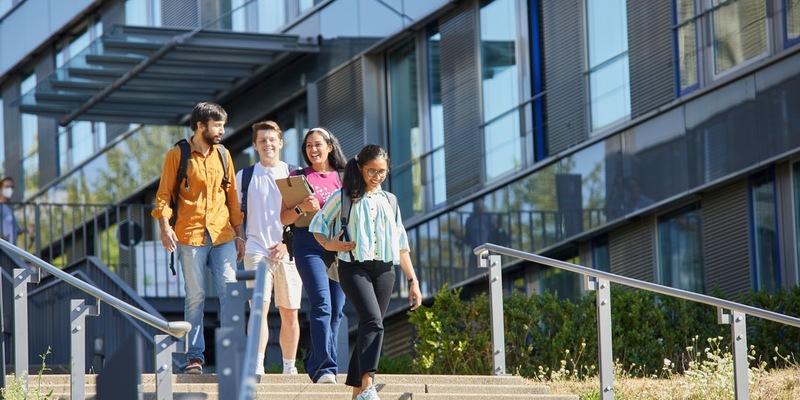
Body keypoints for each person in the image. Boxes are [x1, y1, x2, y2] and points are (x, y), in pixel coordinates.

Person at [309, 144, 422, 400]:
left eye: (382, 172)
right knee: (373, 322)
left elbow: (401, 245)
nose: (377, 176)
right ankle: (369, 384)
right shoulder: (343, 197)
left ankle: (357, 395)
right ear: (359, 168)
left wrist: (413, 281)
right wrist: (330, 244)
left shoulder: (390, 201)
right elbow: (318, 225)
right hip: (353, 267)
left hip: (385, 269)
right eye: (372, 171)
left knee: (368, 327)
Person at [151, 102, 245, 374]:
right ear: (201, 126)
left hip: (223, 234)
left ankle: (232, 354)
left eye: (223, 126)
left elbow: (232, 198)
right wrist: (165, 227)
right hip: (189, 235)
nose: (222, 131)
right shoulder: (177, 154)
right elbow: (164, 195)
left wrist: (240, 235)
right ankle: (195, 357)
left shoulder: (224, 155)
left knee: (230, 291)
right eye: (217, 126)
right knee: (196, 296)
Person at [280, 127, 348, 384]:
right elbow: (284, 218)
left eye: (317, 144)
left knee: (337, 309)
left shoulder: (344, 177)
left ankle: (315, 362)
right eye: (308, 145)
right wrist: (301, 207)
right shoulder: (296, 176)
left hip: (338, 245)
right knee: (322, 303)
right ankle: (326, 369)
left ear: (330, 147)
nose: (313, 149)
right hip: (307, 243)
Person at [236, 121, 302, 375]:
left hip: (288, 252)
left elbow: (302, 218)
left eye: (272, 139)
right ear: (255, 145)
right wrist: (239, 239)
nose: (267, 144)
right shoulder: (245, 176)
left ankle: (289, 367)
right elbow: (235, 215)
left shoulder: (294, 174)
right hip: (256, 250)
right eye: (262, 140)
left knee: (290, 313)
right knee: (258, 310)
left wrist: (288, 244)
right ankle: (257, 365)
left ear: (281, 143)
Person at [0, 177, 21, 245]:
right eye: (7, 187)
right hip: (3, 250)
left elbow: (13, 230)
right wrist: (2, 238)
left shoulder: (9, 208)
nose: (9, 190)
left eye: (11, 187)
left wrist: (26, 230)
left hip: (11, 250)